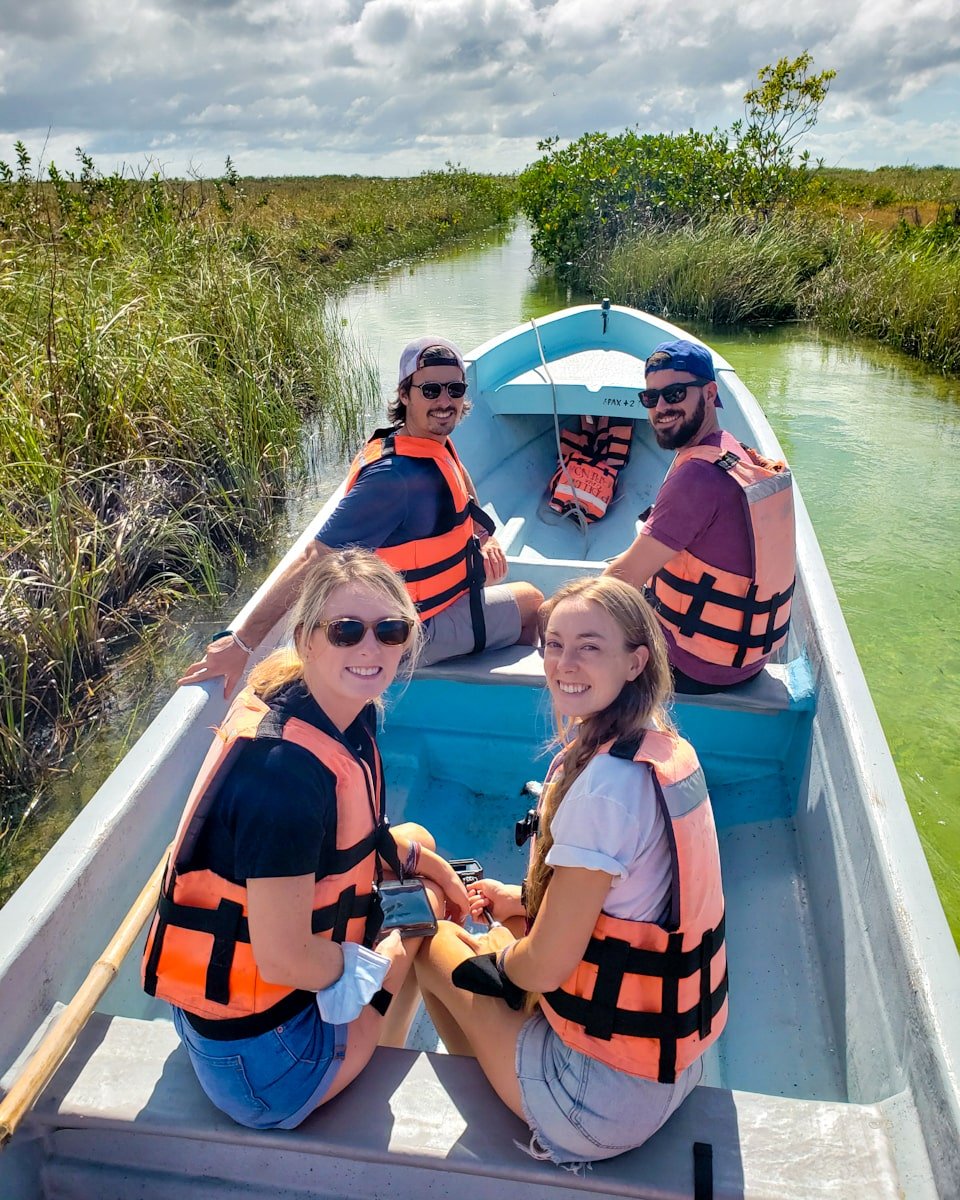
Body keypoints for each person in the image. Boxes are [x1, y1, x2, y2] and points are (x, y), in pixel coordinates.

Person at [142, 548, 470, 1130]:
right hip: (266, 1067)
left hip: (232, 1024)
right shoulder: (284, 775)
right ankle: (374, 1056)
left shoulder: (333, 706)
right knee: (425, 915)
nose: (370, 649)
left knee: (418, 845)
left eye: (389, 630)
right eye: (346, 631)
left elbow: (365, 836)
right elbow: (285, 957)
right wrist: (371, 963)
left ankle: (365, 1023)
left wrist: (427, 860)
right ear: (307, 638)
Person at [413, 576, 728, 1167]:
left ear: (637, 662)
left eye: (590, 646)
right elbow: (623, 909)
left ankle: (487, 1103)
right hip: (670, 1069)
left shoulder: (604, 790)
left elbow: (550, 964)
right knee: (504, 935)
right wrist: (518, 902)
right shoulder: (662, 751)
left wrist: (500, 963)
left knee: (434, 947)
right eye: (554, 644)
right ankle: (504, 1059)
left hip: (597, 1103)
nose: (565, 662)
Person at [179, 336, 543, 696]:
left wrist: (484, 537)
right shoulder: (393, 478)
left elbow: (459, 482)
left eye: (455, 388)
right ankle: (496, 702)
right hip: (408, 633)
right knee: (531, 602)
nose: (445, 401)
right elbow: (314, 558)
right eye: (430, 390)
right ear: (405, 394)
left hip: (424, 606)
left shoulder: (424, 441)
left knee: (506, 594)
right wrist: (242, 643)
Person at [603, 339, 795, 693]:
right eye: (650, 398)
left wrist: (553, 615)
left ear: (709, 393)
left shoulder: (697, 477)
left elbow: (620, 580)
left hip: (693, 666)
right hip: (747, 659)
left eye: (675, 394)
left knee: (570, 622)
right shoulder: (730, 451)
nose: (661, 407)